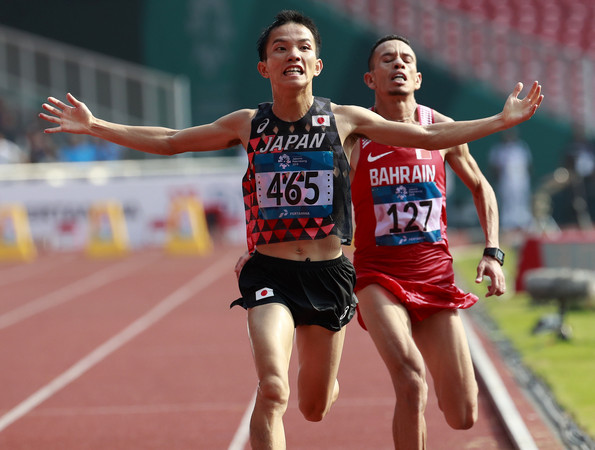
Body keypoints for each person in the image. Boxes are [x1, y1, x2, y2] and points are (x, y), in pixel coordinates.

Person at [39, 11, 542, 449]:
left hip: (329, 276)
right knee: (274, 388)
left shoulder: (346, 120)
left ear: (318, 65)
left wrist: (498, 121)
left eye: (304, 47)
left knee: (315, 405)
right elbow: (173, 140)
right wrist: (98, 126)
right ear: (265, 67)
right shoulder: (247, 124)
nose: (292, 54)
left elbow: (429, 134)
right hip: (270, 273)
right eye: (281, 48)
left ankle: (322, 383)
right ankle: (277, 388)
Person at [350, 35, 508, 449]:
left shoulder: (441, 128)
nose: (397, 64)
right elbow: (324, 202)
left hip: (435, 278)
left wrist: (493, 251)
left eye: (406, 59)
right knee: (410, 378)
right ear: (371, 78)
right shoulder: (355, 137)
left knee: (463, 414)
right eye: (387, 59)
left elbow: (481, 186)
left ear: (418, 77)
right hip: (377, 278)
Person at [488, 128, 533, 235]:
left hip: (521, 180)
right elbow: (494, 167)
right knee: (507, 202)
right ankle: (508, 225)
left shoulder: (521, 148)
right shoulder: (498, 149)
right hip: (506, 181)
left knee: (522, 201)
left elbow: (529, 166)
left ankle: (523, 222)